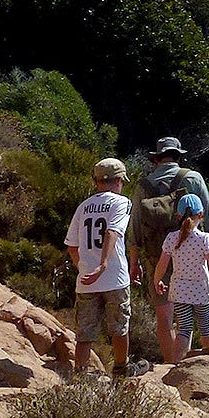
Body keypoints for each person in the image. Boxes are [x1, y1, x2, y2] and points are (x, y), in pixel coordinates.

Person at [133, 136, 209, 363]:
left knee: (165, 318)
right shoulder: (193, 178)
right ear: (179, 156)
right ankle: (205, 364)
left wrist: (134, 264)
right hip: (191, 260)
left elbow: (134, 231)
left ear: (156, 159)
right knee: (196, 318)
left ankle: (172, 366)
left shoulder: (143, 185)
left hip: (156, 255)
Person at [63, 158, 149, 377]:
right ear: (119, 180)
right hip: (114, 276)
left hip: (86, 280)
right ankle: (121, 368)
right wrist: (102, 265)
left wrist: (84, 266)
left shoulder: (84, 206)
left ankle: (80, 374)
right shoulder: (121, 203)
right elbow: (112, 232)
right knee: (119, 326)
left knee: (85, 332)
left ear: (96, 181)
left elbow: (71, 245)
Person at [153, 193, 209, 363]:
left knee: (184, 329)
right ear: (201, 215)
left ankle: (175, 365)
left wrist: (157, 281)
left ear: (178, 216)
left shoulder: (171, 238)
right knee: (205, 327)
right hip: (201, 292)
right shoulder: (204, 239)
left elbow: (162, 264)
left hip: (179, 291)